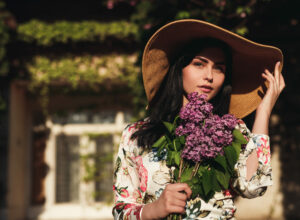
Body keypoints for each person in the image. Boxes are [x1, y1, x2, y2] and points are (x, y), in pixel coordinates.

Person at [112, 19, 285, 220]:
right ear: (179, 68)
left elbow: (254, 186)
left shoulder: (230, 130)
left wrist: (263, 111)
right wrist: (154, 209)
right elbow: (121, 210)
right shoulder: (136, 134)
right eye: (199, 64)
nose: (209, 76)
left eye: (219, 68)